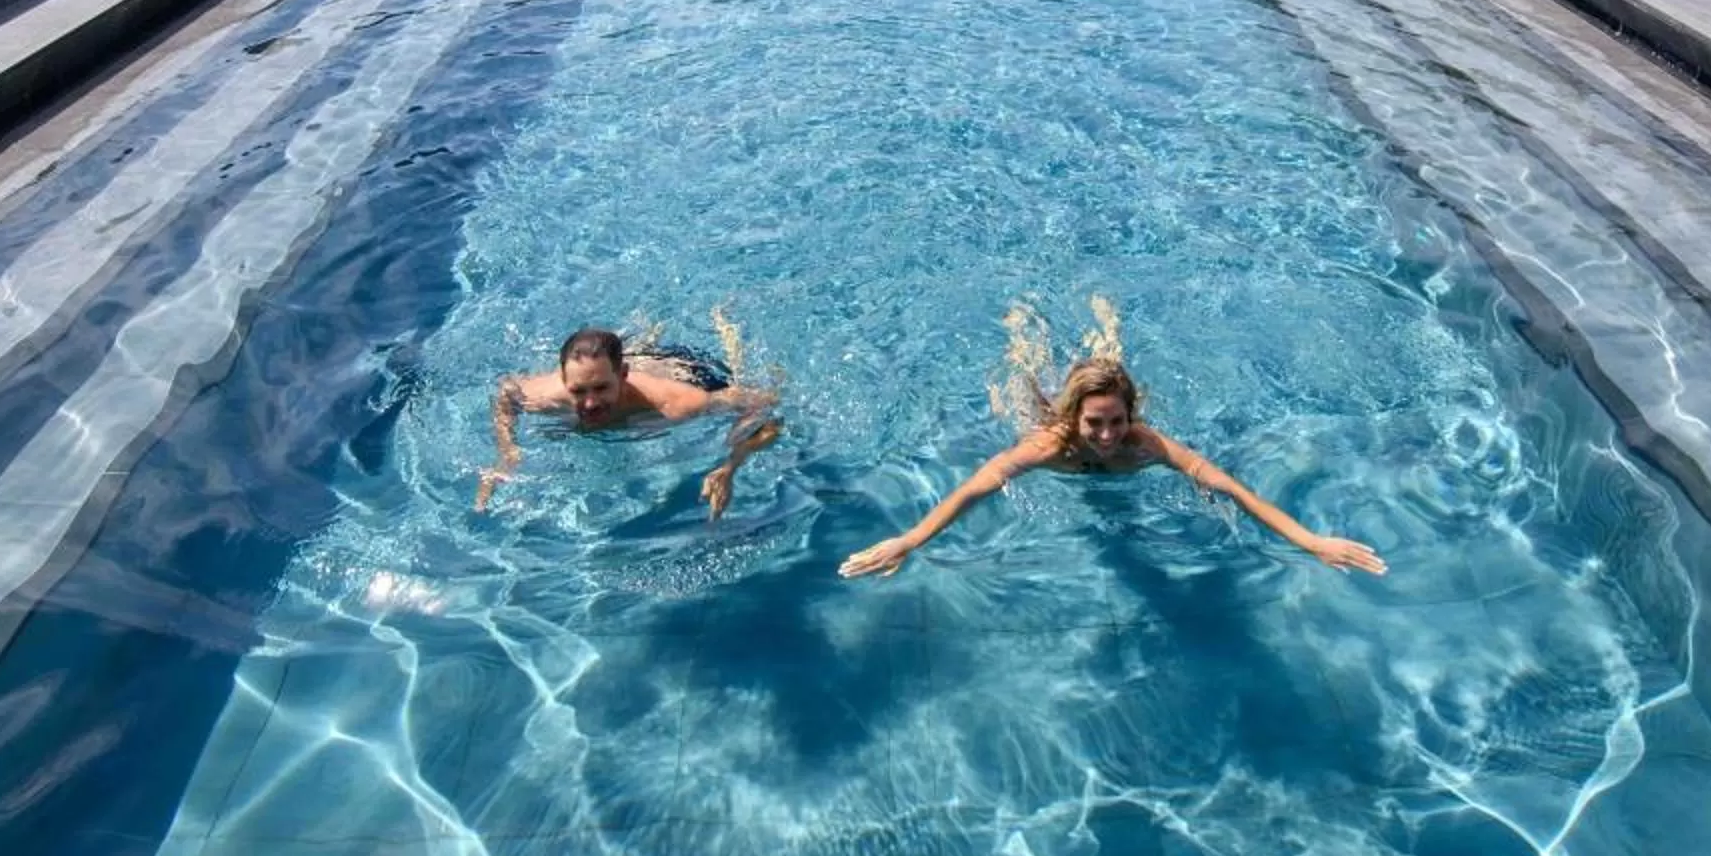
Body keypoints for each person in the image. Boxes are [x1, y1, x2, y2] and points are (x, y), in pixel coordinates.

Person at [839, 356, 1385, 578]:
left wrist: (1311, 541)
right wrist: (909, 541)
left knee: (1107, 369)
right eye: (1094, 423)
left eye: (1117, 421)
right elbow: (971, 491)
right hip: (1043, 416)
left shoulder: (1145, 446)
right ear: (1074, 418)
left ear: (1132, 416)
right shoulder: (1047, 448)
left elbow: (1234, 490)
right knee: (1020, 391)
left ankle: (1104, 340)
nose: (1106, 436)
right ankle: (1025, 344)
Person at [481, 326, 780, 518]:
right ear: (563, 379)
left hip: (682, 370)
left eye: (600, 389)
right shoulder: (544, 395)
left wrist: (730, 466)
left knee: (735, 375)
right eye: (578, 391)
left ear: (623, 377)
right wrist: (506, 451)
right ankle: (638, 339)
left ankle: (723, 328)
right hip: (623, 365)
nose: (589, 403)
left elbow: (765, 402)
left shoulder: (677, 403)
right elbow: (506, 392)